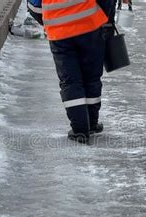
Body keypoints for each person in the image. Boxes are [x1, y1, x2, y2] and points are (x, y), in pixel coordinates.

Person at [33, 0, 115, 143]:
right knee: (91, 77)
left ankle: (80, 130)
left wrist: (50, 20)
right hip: (90, 24)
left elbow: (34, 6)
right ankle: (91, 124)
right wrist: (107, 20)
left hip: (58, 31)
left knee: (70, 81)